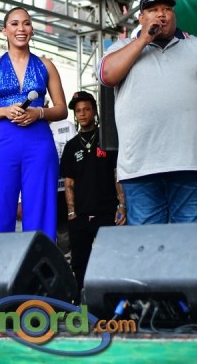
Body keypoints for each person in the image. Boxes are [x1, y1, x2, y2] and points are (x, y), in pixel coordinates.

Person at [96, 0, 197, 225]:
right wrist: (144, 39)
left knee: (190, 241)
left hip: (192, 163)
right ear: (141, 18)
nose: (161, 14)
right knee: (147, 243)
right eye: (153, 10)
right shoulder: (121, 48)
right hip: (140, 166)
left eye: (167, 9)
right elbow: (107, 76)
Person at [0, 6, 67, 241]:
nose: (21, 28)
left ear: (32, 30)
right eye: (14, 24)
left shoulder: (46, 65)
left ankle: (41, 262)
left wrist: (39, 113)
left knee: (41, 210)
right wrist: (4, 111)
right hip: (5, 142)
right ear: (4, 30)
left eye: (26, 23)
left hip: (39, 144)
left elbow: (62, 109)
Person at [61, 90, 126, 299]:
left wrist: (122, 206)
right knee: (80, 263)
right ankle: (82, 303)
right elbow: (69, 183)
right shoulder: (71, 146)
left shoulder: (108, 139)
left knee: (111, 259)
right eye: (78, 110)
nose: (82, 114)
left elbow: (117, 174)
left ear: (95, 110)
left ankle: (113, 303)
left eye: (87, 109)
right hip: (80, 214)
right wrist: (71, 213)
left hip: (107, 211)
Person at [48, 106, 77, 256]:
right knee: (48, 230)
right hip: (47, 189)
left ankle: (67, 260)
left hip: (66, 187)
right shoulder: (34, 130)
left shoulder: (66, 126)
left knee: (65, 230)